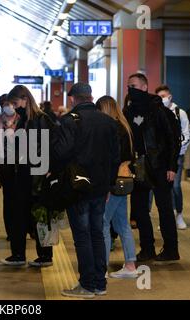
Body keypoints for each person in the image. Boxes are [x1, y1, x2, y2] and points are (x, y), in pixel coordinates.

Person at [52, 83, 120, 298]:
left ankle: (87, 285)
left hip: (78, 187)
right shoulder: (109, 122)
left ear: (73, 99)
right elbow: (115, 157)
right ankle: (100, 283)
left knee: (82, 236)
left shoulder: (69, 121)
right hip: (100, 188)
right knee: (97, 233)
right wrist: (109, 184)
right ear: (91, 97)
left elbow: (60, 153)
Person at [124, 73, 180, 264]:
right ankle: (147, 248)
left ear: (145, 87)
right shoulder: (129, 111)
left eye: (134, 85)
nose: (130, 89)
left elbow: (173, 140)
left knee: (164, 208)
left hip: (160, 165)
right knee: (139, 209)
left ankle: (171, 249)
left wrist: (173, 166)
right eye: (128, 86)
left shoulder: (160, 111)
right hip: (139, 166)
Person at [0, 85, 56, 268]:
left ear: (25, 99)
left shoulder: (41, 119)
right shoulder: (23, 120)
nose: (14, 107)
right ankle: (18, 254)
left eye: (16, 103)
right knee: (20, 215)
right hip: (23, 174)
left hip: (37, 176)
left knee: (39, 215)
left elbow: (48, 146)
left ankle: (44, 255)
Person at [96, 96, 138, 279]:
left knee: (103, 223)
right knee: (122, 224)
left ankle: (102, 268)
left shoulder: (112, 129)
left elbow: (112, 160)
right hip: (125, 180)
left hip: (114, 183)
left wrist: (107, 185)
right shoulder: (126, 127)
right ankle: (130, 265)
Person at [156, 85, 190, 230]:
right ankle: (167, 216)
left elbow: (187, 134)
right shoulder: (156, 113)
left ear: (170, 96)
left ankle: (179, 214)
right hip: (161, 157)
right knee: (164, 187)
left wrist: (176, 151)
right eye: (159, 97)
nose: (162, 99)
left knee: (175, 186)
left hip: (176, 156)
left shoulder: (180, 113)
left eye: (164, 96)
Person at [0, 94, 20, 241]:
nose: (7, 106)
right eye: (3, 104)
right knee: (8, 199)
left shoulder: (21, 118)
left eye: (9, 103)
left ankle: (25, 228)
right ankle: (11, 232)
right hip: (5, 165)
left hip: (21, 164)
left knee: (21, 198)